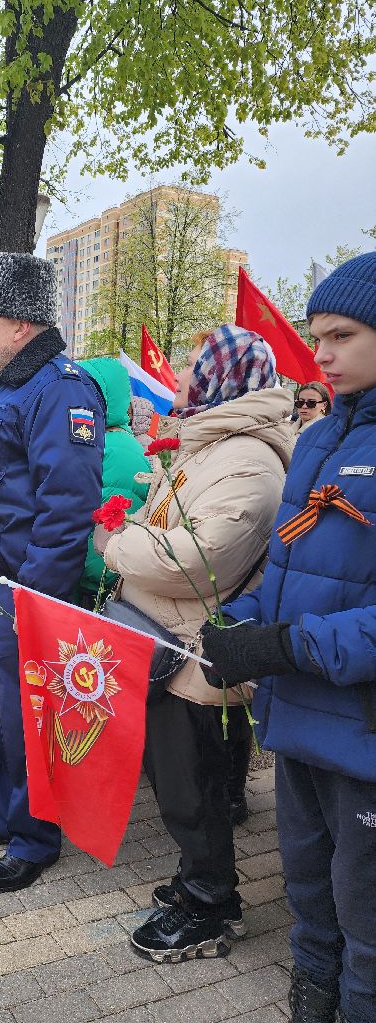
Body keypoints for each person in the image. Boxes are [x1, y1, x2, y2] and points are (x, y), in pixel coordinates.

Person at [201, 255, 376, 1023]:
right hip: (298, 719)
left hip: (363, 730)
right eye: (316, 339)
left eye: (342, 336)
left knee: (366, 910)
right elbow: (284, 568)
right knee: (308, 891)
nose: (324, 355)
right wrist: (240, 624)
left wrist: (290, 647)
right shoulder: (317, 439)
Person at [97, 324, 293, 961]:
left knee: (195, 788)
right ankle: (196, 880)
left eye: (190, 365)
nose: (178, 375)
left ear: (220, 377)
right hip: (166, 643)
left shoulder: (247, 460)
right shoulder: (208, 448)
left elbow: (199, 558)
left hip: (194, 653)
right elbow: (162, 523)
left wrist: (114, 547)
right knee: (183, 781)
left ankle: (210, 903)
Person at [0, 254, 105, 894]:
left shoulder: (61, 388)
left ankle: (37, 835)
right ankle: (10, 812)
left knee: (26, 713)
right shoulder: (4, 388)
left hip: (21, 586)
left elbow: (67, 505)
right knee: (0, 712)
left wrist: (35, 595)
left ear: (20, 324)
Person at [77, 358, 150, 605]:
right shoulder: (102, 443)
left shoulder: (116, 450)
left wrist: (82, 582)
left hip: (92, 592)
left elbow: (108, 538)